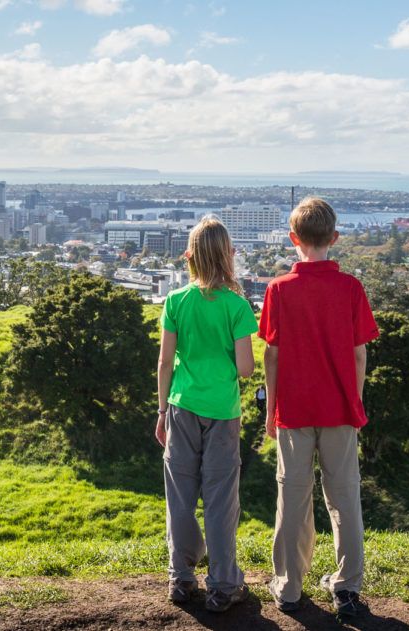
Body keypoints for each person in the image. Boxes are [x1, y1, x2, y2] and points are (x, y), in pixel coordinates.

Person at [259, 197, 379, 618]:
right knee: (344, 498)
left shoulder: (278, 289)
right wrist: (356, 401)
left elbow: (271, 356)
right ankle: (347, 587)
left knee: (292, 497)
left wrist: (271, 408)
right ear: (335, 238)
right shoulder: (350, 288)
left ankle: (289, 586)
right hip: (340, 409)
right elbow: (359, 354)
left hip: (293, 408)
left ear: (293, 239)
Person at [156, 215, 257, 613]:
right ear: (228, 257)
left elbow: (165, 362)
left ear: (189, 257)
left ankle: (181, 579)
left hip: (180, 407)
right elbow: (247, 368)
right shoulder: (236, 305)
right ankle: (222, 585)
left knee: (180, 497)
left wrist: (162, 410)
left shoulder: (175, 301)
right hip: (223, 412)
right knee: (220, 499)